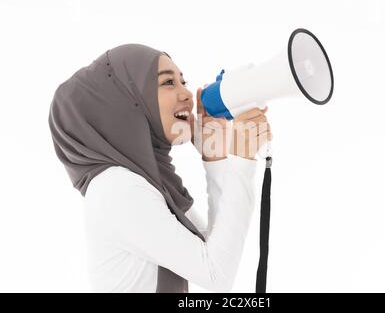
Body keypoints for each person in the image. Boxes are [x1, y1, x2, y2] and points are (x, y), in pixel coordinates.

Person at [48, 44, 272, 293]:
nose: (187, 93)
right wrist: (242, 160)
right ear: (127, 101)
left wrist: (215, 158)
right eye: (168, 83)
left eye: (183, 81)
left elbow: (215, 248)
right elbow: (216, 274)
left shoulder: (147, 181)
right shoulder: (117, 187)